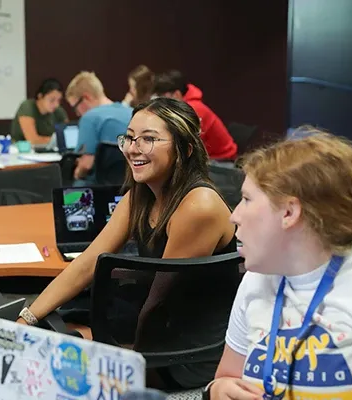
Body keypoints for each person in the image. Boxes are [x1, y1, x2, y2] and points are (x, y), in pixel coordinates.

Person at [18, 97, 239, 389]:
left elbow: (160, 301)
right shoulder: (140, 196)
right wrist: (28, 317)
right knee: (47, 327)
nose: (133, 148)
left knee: (57, 350)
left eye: (148, 139)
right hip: (154, 325)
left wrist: (118, 364)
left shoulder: (199, 206)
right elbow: (88, 262)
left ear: (185, 150)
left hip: (185, 352)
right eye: (130, 138)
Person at [209, 131, 352, 399]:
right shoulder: (259, 276)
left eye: (246, 199)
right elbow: (228, 377)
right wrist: (218, 390)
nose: (234, 216)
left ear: (289, 213)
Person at [152, 70, 237, 161]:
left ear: (176, 95)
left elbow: (187, 144)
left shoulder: (194, 110)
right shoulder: (185, 106)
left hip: (222, 160)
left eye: (162, 97)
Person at [65, 71, 133, 184]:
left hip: (102, 189)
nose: (77, 113)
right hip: (134, 187)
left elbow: (86, 165)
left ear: (86, 97)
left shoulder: (89, 118)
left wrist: (76, 173)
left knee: (71, 190)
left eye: (75, 108)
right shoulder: (132, 112)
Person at [10, 78, 68, 145]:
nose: (56, 104)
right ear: (40, 96)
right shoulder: (27, 107)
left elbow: (68, 136)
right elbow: (33, 140)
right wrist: (58, 140)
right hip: (23, 151)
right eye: (52, 100)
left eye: (59, 100)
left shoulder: (58, 111)